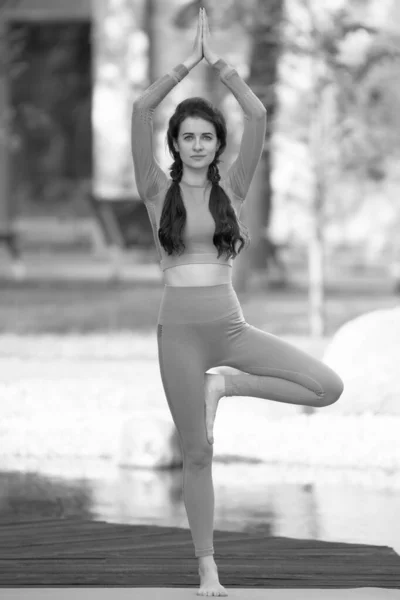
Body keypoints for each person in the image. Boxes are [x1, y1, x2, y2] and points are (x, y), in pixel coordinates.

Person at [131, 7, 344, 597]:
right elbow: (139, 109)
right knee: (197, 454)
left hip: (229, 329)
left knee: (327, 387)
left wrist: (219, 64)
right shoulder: (155, 191)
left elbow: (257, 111)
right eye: (187, 136)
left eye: (206, 136)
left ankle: (225, 385)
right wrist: (183, 66)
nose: (197, 144)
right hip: (178, 334)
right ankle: (208, 569)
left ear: (218, 145)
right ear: (174, 144)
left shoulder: (235, 187)